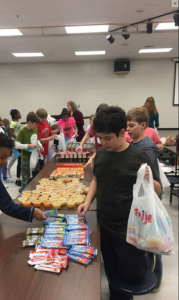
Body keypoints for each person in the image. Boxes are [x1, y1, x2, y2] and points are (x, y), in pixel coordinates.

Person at [77, 106, 161, 300]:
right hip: (105, 224)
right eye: (100, 138)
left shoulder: (138, 157)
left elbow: (157, 191)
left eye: (108, 138)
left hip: (129, 228)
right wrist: (87, 202)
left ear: (122, 132)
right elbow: (97, 180)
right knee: (112, 269)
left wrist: (149, 179)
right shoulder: (101, 155)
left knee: (130, 273)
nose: (103, 142)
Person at [126, 107, 162, 292]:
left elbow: (148, 177)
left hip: (149, 198)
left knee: (152, 240)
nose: (128, 129)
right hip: (143, 197)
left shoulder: (146, 148)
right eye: (126, 126)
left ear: (143, 125)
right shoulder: (136, 144)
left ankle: (156, 277)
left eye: (131, 125)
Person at [16, 112, 44, 193]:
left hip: (35, 157)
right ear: (29, 122)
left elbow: (37, 140)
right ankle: (24, 193)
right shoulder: (22, 131)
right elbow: (16, 144)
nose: (36, 126)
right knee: (25, 177)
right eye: (35, 124)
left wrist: (40, 145)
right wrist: (28, 145)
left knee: (36, 175)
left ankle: (36, 192)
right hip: (26, 157)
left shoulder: (35, 129)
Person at [0, 114, 14, 187]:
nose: (1, 121)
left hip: (4, 149)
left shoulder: (1, 128)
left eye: (1, 119)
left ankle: (5, 178)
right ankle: (0, 180)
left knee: (5, 164)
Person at [7, 109, 23, 186]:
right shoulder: (12, 123)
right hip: (16, 143)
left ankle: (19, 171)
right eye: (19, 113)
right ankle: (10, 170)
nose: (20, 114)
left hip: (20, 143)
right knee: (17, 159)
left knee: (16, 158)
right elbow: (11, 133)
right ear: (15, 115)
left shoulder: (18, 122)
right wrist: (18, 139)